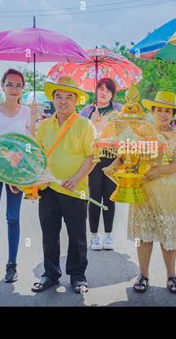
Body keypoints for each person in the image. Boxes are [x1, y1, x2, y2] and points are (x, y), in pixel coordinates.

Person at [108, 91, 176, 294]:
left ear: (173, 114)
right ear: (152, 112)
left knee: (167, 235)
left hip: (167, 193)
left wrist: (158, 171)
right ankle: (143, 275)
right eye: (159, 110)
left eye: (167, 111)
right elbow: (128, 152)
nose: (163, 114)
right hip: (142, 190)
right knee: (144, 235)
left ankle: (171, 276)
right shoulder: (142, 131)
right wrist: (117, 162)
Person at [31, 77, 96, 294]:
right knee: (49, 234)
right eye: (58, 96)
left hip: (75, 189)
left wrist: (76, 178)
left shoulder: (85, 124)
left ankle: (78, 276)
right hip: (48, 188)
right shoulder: (44, 125)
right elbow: (37, 155)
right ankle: (50, 274)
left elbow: (91, 157)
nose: (63, 101)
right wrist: (38, 176)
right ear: (52, 99)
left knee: (77, 235)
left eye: (69, 97)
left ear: (76, 100)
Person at [0, 68, 37, 285]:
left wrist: (35, 118)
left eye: (18, 85)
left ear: (23, 89)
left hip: (16, 174)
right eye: (10, 84)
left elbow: (32, 145)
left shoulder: (26, 112)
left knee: (13, 218)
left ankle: (12, 265)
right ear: (2, 86)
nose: (14, 89)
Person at [80, 78, 122, 251]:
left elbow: (124, 133)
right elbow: (80, 134)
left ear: (112, 94)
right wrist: (93, 123)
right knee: (94, 197)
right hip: (93, 160)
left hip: (112, 159)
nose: (104, 92)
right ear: (96, 90)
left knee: (110, 197)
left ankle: (109, 236)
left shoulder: (118, 110)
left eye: (108, 90)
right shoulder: (87, 111)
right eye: (101, 88)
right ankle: (95, 236)